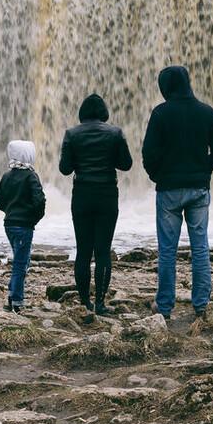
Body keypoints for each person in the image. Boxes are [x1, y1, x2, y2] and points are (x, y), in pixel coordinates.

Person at [141, 65, 213, 320]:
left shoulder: (160, 113)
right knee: (200, 247)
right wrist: (203, 170)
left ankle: (165, 306)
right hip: (199, 189)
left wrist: (158, 175)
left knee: (167, 250)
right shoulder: (206, 112)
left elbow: (148, 153)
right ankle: (201, 304)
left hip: (168, 190)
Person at [59, 93, 133, 319]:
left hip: (81, 194)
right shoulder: (115, 133)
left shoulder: (71, 134)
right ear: (103, 113)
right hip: (107, 195)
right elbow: (126, 164)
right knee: (103, 251)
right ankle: (100, 303)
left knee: (83, 250)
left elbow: (65, 169)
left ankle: (84, 302)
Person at [0, 140, 45, 312]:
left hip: (9, 224)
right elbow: (39, 201)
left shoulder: (7, 176)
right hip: (24, 225)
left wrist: (10, 210)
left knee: (20, 260)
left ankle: (12, 294)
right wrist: (33, 218)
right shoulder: (31, 176)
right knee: (20, 264)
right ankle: (16, 301)